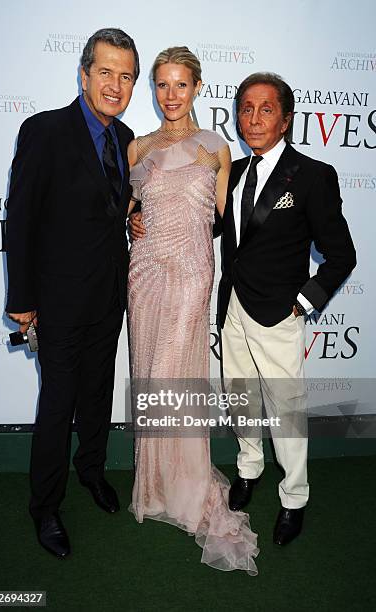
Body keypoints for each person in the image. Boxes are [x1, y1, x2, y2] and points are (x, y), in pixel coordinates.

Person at [5, 28, 139, 558]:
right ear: (83, 75)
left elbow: (115, 209)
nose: (115, 84)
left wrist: (138, 218)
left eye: (125, 76)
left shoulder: (128, 140)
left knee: (96, 393)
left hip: (109, 297)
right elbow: (21, 219)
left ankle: (92, 473)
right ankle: (45, 507)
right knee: (58, 405)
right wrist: (21, 298)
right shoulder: (44, 130)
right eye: (105, 72)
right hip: (57, 301)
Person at [127, 47, 258, 573]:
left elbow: (229, 222)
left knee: (174, 376)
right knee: (148, 372)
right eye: (161, 85)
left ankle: (187, 489)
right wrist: (131, 222)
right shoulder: (137, 147)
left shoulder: (215, 148)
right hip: (144, 273)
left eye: (181, 85)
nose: (170, 95)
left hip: (190, 271)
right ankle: (155, 487)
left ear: (198, 88)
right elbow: (132, 208)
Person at [218, 72, 356, 545]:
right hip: (233, 306)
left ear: (286, 119)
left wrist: (302, 303)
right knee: (240, 397)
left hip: (279, 314)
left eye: (266, 109)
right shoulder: (233, 172)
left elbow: (342, 255)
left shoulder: (313, 175)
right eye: (246, 108)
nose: (253, 118)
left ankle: (294, 498)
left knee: (287, 412)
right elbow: (221, 233)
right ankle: (249, 468)